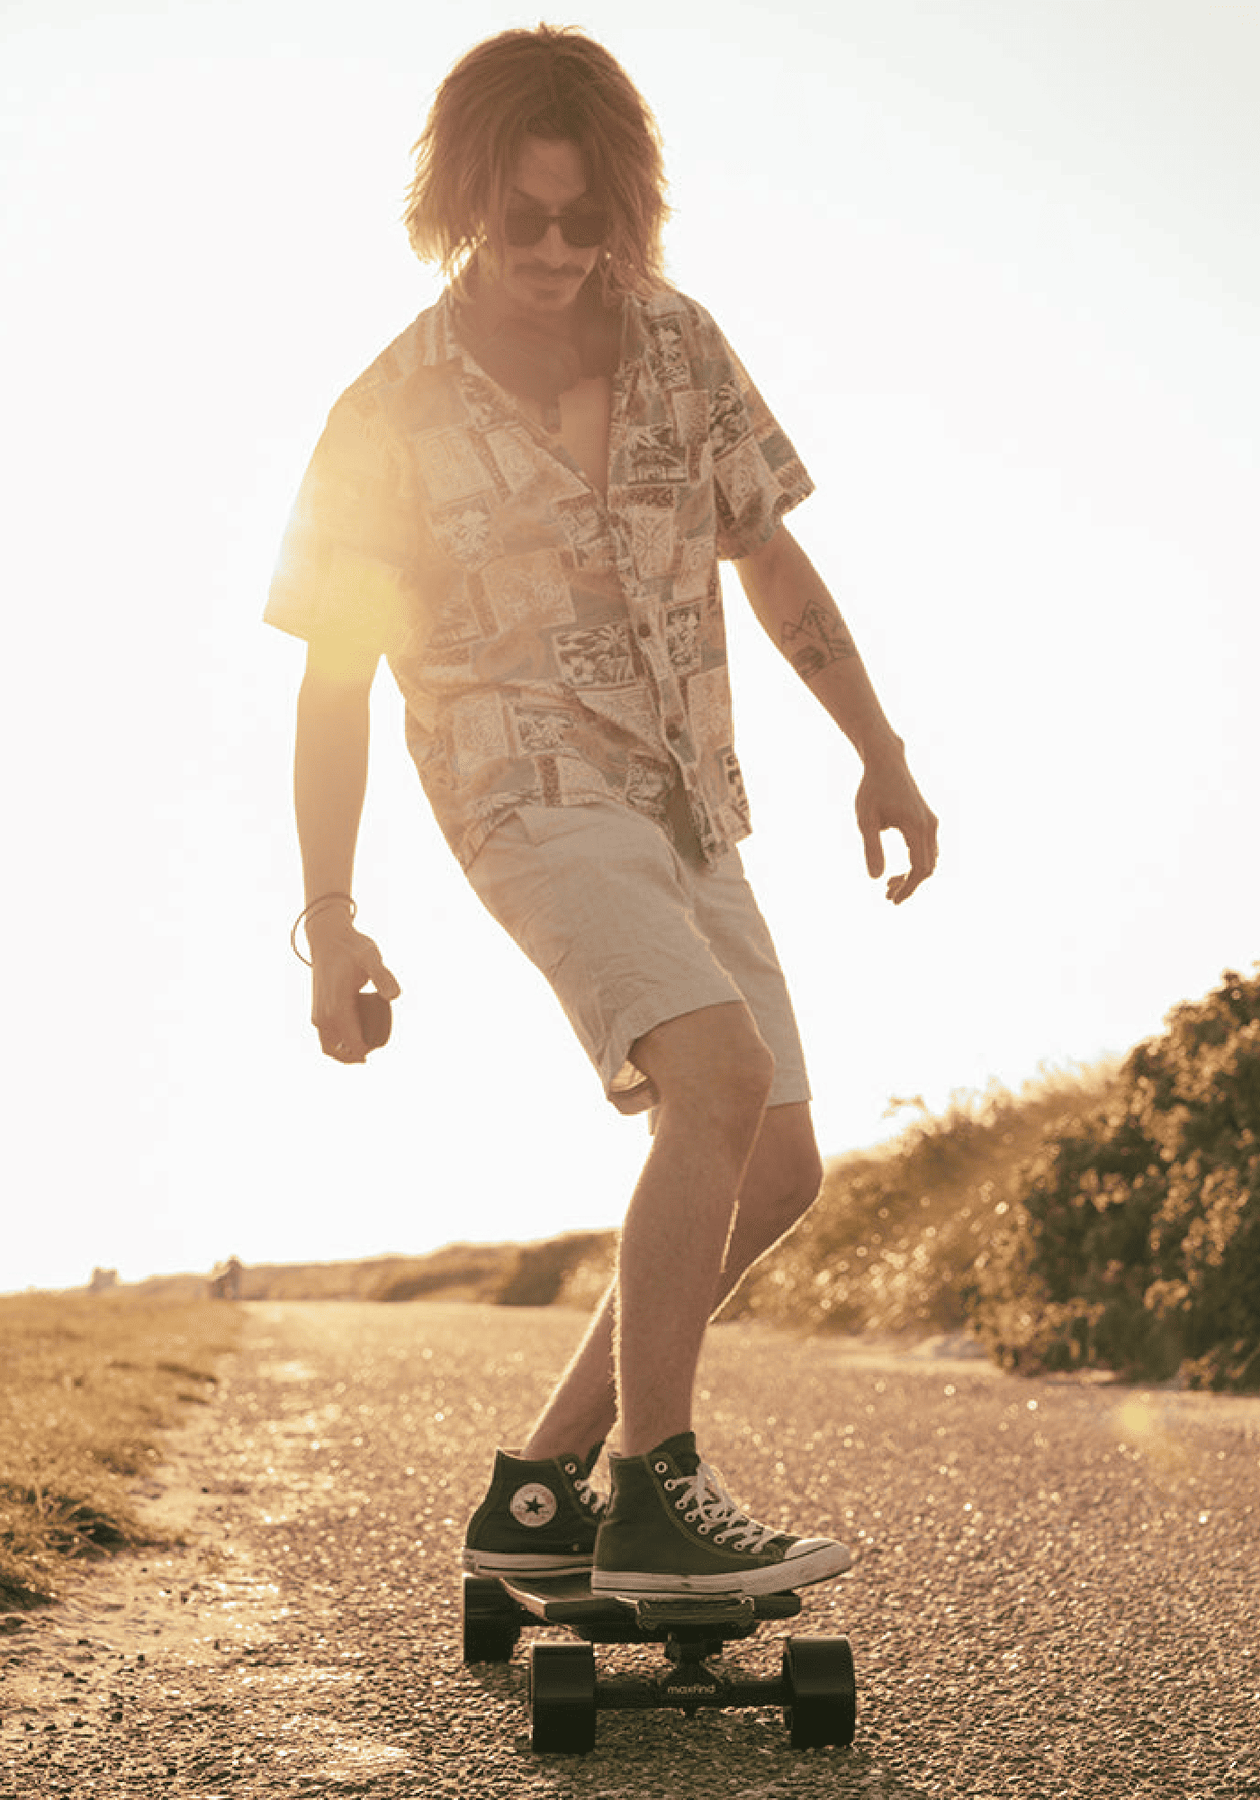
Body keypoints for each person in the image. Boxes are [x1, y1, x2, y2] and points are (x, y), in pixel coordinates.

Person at [267, 26, 938, 1598]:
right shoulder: (386, 415)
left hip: (689, 797)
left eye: (589, 219)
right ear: (463, 203)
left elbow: (768, 555)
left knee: (780, 1164)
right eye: (526, 218)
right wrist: (332, 920)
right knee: (717, 1074)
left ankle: (540, 1489)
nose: (559, 249)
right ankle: (656, 1485)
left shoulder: (680, 343)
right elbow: (333, 682)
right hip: (526, 794)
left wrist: (879, 750)